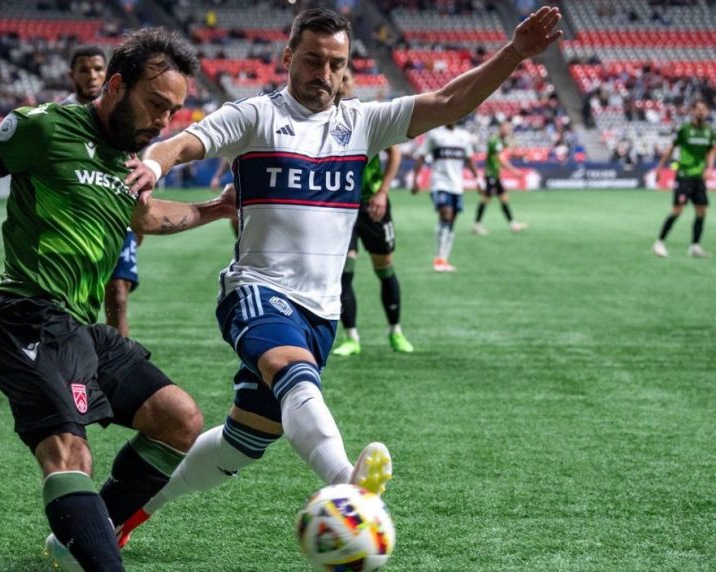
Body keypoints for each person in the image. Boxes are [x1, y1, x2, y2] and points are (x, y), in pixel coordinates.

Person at [116, 6, 562, 542]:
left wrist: (512, 54)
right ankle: (348, 484)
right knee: (293, 372)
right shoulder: (256, 115)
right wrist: (156, 165)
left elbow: (447, 103)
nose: (322, 75)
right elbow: (187, 142)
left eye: (335, 63)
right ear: (287, 57)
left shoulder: (362, 123)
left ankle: (122, 517)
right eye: (311, 60)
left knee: (243, 441)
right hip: (258, 290)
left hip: (320, 313)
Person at [0, 29, 236, 572]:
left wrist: (215, 211)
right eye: (155, 105)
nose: (161, 123)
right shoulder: (44, 127)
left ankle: (78, 536)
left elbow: (148, 218)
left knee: (179, 419)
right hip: (26, 315)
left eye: (172, 112)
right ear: (117, 85)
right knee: (69, 453)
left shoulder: (127, 164)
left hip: (80, 328)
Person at [61, 44, 142, 337]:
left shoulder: (122, 114)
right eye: (84, 69)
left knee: (118, 295)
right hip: (77, 219)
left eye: (98, 69)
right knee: (76, 299)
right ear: (72, 75)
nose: (92, 76)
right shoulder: (62, 115)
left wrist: (140, 215)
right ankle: (74, 365)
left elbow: (133, 166)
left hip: (117, 215)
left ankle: (121, 373)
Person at [331, 70, 412, 356]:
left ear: (353, 84)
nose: (340, 83)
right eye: (338, 78)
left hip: (372, 205)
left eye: (345, 78)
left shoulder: (367, 116)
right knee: (344, 272)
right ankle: (351, 337)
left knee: (385, 269)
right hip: (341, 207)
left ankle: (395, 331)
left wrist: (382, 192)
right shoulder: (321, 118)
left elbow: (395, 154)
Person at [411, 123, 480, 272]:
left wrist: (478, 180)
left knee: (452, 221)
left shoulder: (464, 136)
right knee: (446, 215)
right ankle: (439, 259)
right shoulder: (435, 134)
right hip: (440, 183)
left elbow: (469, 159)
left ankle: (443, 258)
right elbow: (421, 156)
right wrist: (415, 179)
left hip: (457, 185)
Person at [652, 100, 716, 258]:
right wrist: (660, 167)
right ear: (692, 111)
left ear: (707, 112)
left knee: (701, 211)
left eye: (704, 109)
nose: (701, 112)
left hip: (698, 177)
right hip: (684, 176)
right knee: (678, 210)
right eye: (698, 109)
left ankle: (695, 246)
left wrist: (709, 168)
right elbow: (671, 148)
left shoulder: (709, 131)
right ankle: (659, 242)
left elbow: (711, 150)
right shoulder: (685, 129)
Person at [472, 121, 528, 235]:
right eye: (506, 128)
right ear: (501, 128)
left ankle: (513, 224)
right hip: (491, 174)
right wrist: (514, 171)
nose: (508, 130)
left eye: (509, 128)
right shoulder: (495, 141)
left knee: (503, 198)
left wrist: (519, 153)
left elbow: (510, 151)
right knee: (486, 199)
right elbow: (501, 159)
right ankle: (477, 225)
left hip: (495, 175)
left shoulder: (501, 142)